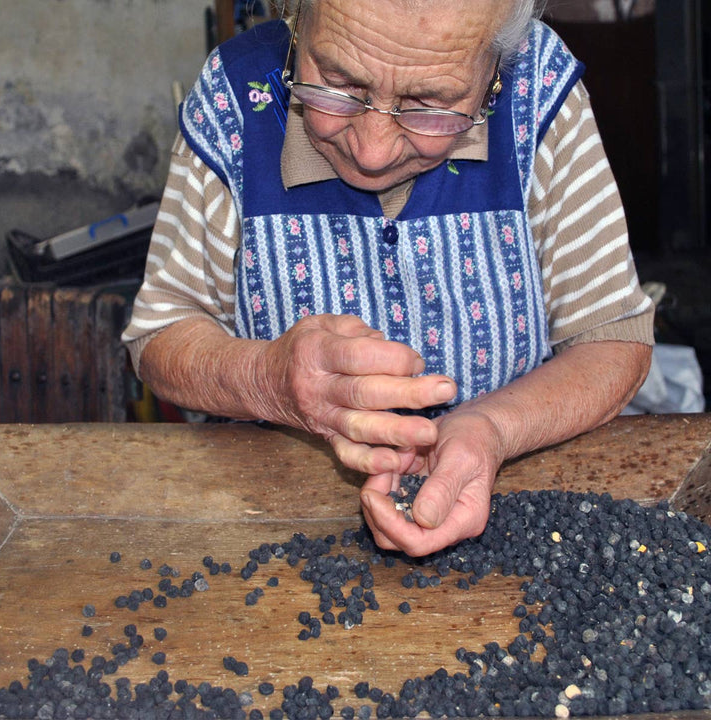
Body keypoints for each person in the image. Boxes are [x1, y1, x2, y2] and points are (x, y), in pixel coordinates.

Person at [123, 0, 654, 557]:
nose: (372, 151)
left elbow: (613, 338)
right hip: (270, 532)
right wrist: (267, 379)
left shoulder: (539, 88)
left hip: (512, 522)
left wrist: (493, 430)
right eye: (338, 83)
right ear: (297, 20)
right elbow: (160, 332)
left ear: (494, 75)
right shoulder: (234, 96)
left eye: (431, 104)